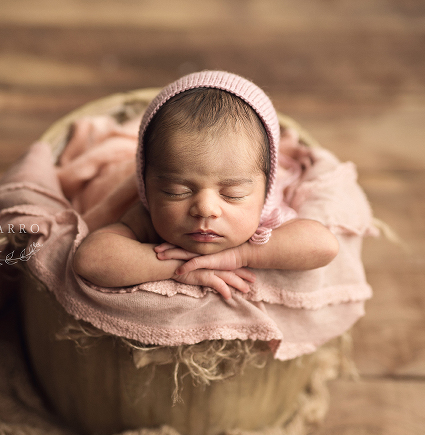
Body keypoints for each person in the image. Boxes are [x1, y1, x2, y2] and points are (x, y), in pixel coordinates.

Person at [73, 71, 339, 300]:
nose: (205, 209)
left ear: (265, 190)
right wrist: (182, 267)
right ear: (146, 187)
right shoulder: (146, 218)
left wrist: (242, 255)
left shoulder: (266, 219)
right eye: (177, 191)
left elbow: (324, 245)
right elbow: (90, 260)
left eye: (233, 194)